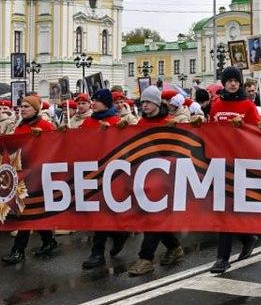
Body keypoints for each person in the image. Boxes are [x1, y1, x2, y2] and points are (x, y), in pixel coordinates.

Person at [205, 67, 261, 274]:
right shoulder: (217, 105)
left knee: (228, 209)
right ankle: (246, 239)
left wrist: (244, 128)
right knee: (224, 208)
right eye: (229, 80)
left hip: (240, 164)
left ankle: (223, 257)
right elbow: (211, 131)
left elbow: (257, 134)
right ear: (224, 83)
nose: (233, 84)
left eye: (236, 80)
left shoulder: (247, 105)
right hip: (220, 163)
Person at [125, 86, 186, 276]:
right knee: (152, 216)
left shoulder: (169, 123)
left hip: (165, 177)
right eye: (142, 102)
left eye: (148, 102)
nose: (144, 105)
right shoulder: (141, 123)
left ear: (157, 103)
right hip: (145, 175)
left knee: (154, 216)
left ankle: (146, 258)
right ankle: (174, 247)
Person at [0, 95, 60, 265]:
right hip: (21, 172)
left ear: (36, 109)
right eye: (21, 106)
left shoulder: (45, 125)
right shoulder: (20, 126)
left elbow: (56, 146)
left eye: (26, 106)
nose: (22, 109)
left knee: (26, 211)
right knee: (32, 210)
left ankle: (18, 250)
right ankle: (49, 241)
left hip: (38, 173)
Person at [79, 88, 130, 269]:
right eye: (93, 100)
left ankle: (98, 252)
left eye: (97, 100)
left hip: (111, 173)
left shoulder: (116, 122)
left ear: (106, 103)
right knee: (98, 212)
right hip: (92, 172)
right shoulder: (87, 122)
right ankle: (117, 236)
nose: (93, 103)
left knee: (104, 212)